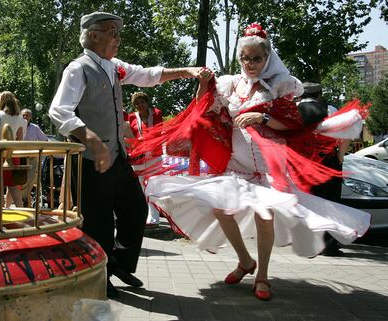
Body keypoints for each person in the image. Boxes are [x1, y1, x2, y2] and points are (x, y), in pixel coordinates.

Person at [132, 23, 371, 301]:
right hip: (237, 165)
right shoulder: (231, 84)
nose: (250, 63)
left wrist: (263, 118)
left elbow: (292, 126)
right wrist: (203, 84)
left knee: (264, 216)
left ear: (267, 58)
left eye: (256, 58)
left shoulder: (280, 85)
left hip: (269, 166)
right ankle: (246, 261)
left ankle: (262, 276)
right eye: (246, 58)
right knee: (220, 208)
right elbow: (204, 108)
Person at [49, 11, 204, 299]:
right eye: (113, 32)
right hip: (91, 160)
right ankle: (99, 277)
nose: (118, 38)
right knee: (98, 222)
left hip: (117, 156)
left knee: (135, 209)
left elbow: (147, 75)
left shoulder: (113, 66)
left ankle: (116, 262)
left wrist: (186, 71)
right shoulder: (78, 69)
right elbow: (59, 111)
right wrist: (90, 138)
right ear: (95, 36)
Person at [298, 82, 351, 256]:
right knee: (330, 203)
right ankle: (328, 244)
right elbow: (346, 134)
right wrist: (341, 156)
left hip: (303, 162)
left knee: (306, 201)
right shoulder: (330, 110)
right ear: (319, 94)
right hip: (328, 162)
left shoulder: (294, 110)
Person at [128, 92, 163, 228]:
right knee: (141, 186)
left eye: (142, 102)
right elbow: (131, 135)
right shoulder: (131, 117)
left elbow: (159, 131)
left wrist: (148, 139)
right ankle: (144, 214)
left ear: (147, 102)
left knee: (153, 184)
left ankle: (154, 217)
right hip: (138, 155)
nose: (139, 105)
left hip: (154, 153)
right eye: (136, 103)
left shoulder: (157, 113)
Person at [0, 91, 25, 208]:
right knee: (13, 185)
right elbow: (19, 139)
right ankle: (22, 210)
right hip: (13, 154)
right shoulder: (20, 118)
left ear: (1, 101)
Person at [21, 108, 48, 206]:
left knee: (32, 179)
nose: (25, 117)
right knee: (21, 180)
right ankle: (22, 199)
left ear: (30, 117)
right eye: (23, 115)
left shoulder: (35, 128)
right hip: (20, 158)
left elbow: (44, 140)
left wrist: (37, 149)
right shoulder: (18, 126)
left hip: (33, 157)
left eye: (27, 115)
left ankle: (24, 199)